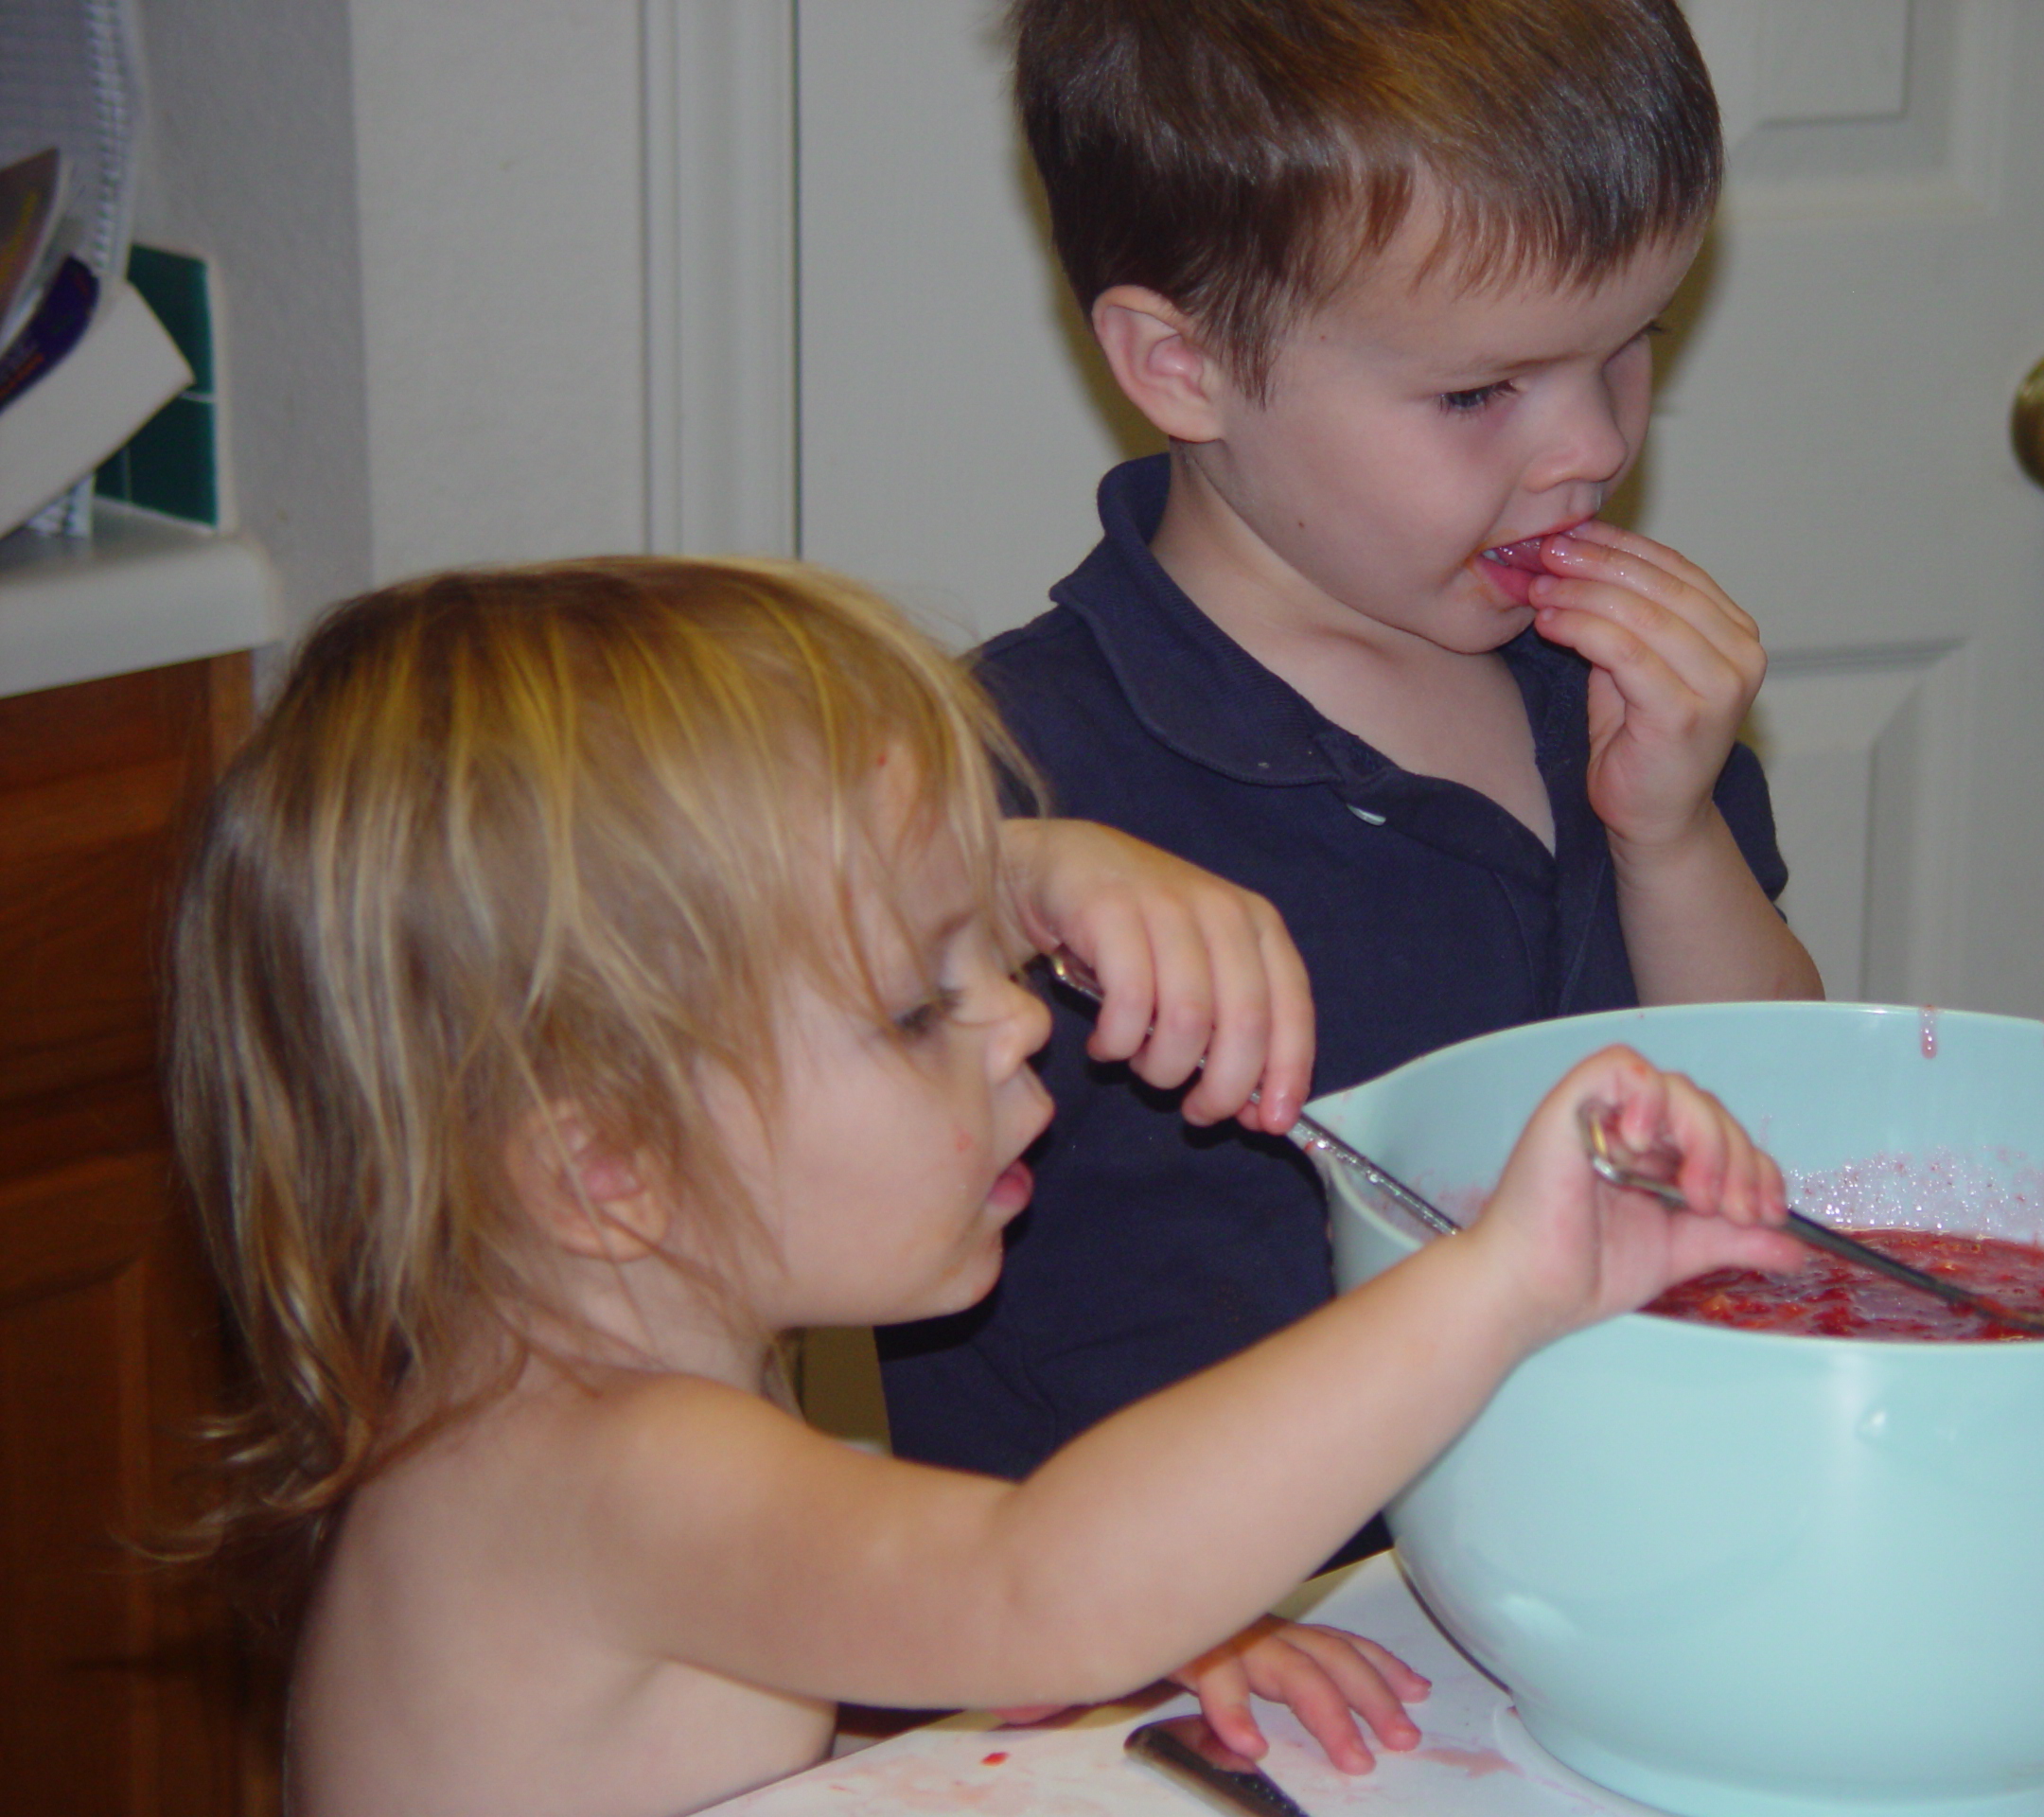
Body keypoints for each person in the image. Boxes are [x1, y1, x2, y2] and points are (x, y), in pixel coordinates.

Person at [167, 556, 1803, 1817]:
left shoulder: (548, 1362)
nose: (1024, 1015)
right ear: (605, 1161)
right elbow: (1039, 1584)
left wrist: (1031, 869)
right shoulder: (608, 1472)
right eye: (912, 1003)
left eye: (990, 949)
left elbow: (881, 1639)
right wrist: (1499, 1276)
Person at [878, 0, 1825, 1521]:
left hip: (1599, 1545)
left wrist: (1672, 841)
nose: (1588, 445)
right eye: (1477, 392)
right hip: (1143, 1666)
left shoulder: (1606, 686)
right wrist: (975, 885)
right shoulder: (1003, 775)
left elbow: (1779, 1119)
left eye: (1630, 346)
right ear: (1181, 367)